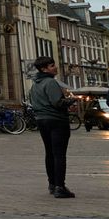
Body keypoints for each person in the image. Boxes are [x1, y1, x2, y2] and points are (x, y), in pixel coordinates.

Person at [28, 56, 76, 198]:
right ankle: (60, 187)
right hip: (56, 120)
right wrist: (70, 100)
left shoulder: (35, 84)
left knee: (49, 153)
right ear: (44, 69)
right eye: (51, 65)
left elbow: (33, 101)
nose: (55, 67)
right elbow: (57, 102)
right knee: (59, 154)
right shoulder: (50, 82)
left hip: (41, 120)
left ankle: (52, 184)